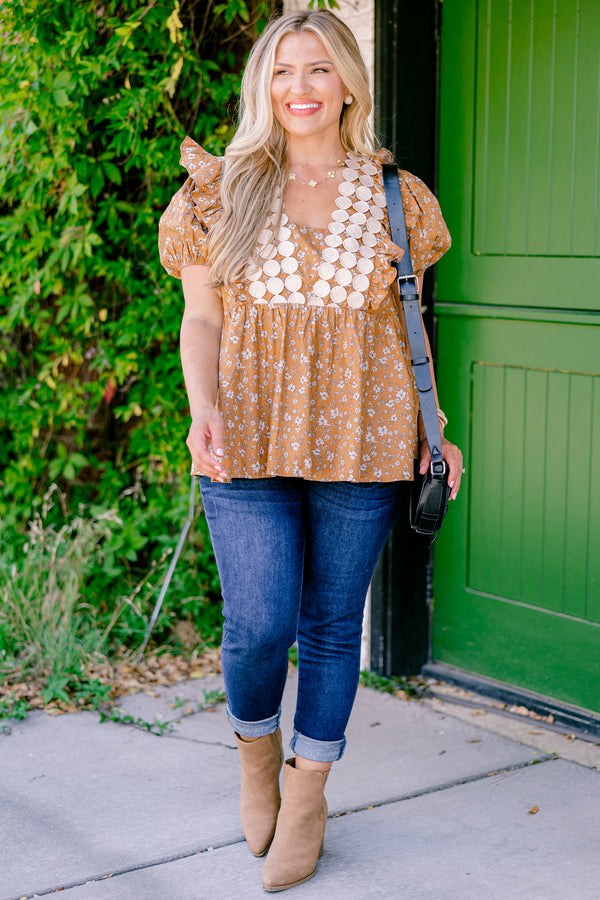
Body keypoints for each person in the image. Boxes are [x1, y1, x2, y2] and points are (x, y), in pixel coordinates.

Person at [159, 9, 463, 892]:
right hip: (243, 432)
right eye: (284, 70)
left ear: (348, 85)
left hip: (365, 437)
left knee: (333, 625)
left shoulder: (399, 197)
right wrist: (202, 410)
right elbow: (201, 318)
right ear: (264, 84)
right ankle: (258, 759)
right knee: (259, 622)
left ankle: (308, 794)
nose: (301, 87)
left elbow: (409, 326)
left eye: (320, 68)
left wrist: (435, 428)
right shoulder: (218, 190)